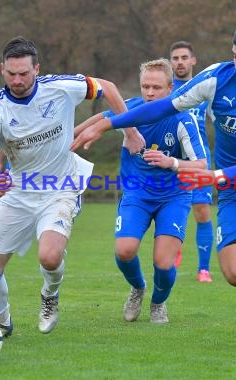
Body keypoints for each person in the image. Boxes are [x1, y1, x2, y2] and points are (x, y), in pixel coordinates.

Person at [72, 18, 236, 351]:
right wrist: (109, 124)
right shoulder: (216, 77)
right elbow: (161, 108)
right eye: (235, 56)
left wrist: (214, 176)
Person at [0, 36, 143, 336]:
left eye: (24, 73)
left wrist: (129, 132)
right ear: (2, 70)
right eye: (11, 73)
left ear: (36, 69)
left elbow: (109, 88)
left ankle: (50, 296)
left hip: (60, 185)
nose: (17, 79)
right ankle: (2, 321)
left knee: (49, 256)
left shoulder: (61, 87)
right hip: (19, 191)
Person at [80, 58, 206, 323]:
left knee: (163, 262)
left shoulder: (184, 119)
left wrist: (172, 162)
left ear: (171, 88)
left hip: (174, 195)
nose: (149, 92)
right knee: (124, 250)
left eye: (156, 87)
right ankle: (138, 288)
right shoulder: (132, 109)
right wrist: (72, 135)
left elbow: (202, 165)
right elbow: (101, 119)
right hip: (137, 193)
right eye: (145, 86)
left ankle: (158, 303)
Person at [169, 41, 214, 282]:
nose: (179, 62)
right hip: (172, 161)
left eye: (184, 57)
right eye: (175, 58)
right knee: (173, 209)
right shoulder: (165, 89)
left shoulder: (204, 89)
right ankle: (174, 248)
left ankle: (203, 269)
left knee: (202, 212)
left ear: (193, 60)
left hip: (199, 161)